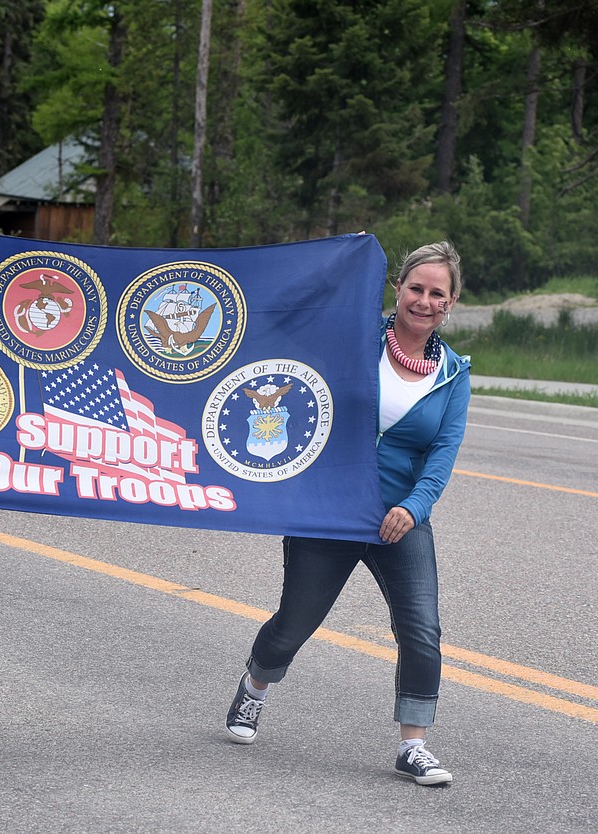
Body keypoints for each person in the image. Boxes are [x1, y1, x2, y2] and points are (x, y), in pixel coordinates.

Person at [224, 241, 471, 787]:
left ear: (450, 303)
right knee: (294, 626)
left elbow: (442, 454)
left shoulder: (453, 374)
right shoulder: (353, 336)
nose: (423, 300)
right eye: (415, 288)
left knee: (421, 628)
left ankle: (413, 745)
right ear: (397, 289)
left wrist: (414, 506)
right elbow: (287, 354)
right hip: (330, 510)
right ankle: (255, 687)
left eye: (437, 293)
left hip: (398, 518)